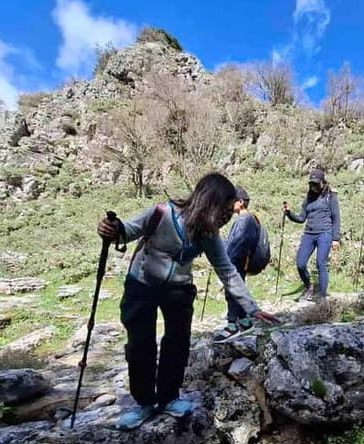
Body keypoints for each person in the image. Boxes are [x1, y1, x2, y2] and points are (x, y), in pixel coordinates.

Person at [97, 172, 279, 430]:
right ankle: (144, 403)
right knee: (140, 345)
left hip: (179, 289)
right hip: (141, 285)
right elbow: (126, 232)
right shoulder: (161, 213)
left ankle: (169, 398)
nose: (228, 217)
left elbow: (226, 269)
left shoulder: (208, 233)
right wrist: (111, 229)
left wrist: (252, 308)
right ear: (211, 203)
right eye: (225, 210)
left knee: (178, 343)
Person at [283, 169, 341, 301]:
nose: (314, 186)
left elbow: (336, 218)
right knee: (300, 263)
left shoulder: (330, 197)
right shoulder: (308, 198)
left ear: (323, 183)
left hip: (325, 233)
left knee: (321, 263)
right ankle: (308, 287)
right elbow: (301, 218)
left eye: (316, 183)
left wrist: (336, 238)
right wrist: (289, 213)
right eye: (312, 184)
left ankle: (322, 295)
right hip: (309, 234)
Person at [213, 186, 259, 344]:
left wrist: (223, 258)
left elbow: (237, 243)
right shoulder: (246, 219)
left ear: (240, 202)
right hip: (239, 261)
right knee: (237, 290)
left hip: (235, 261)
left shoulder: (245, 220)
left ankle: (232, 325)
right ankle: (245, 321)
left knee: (232, 292)